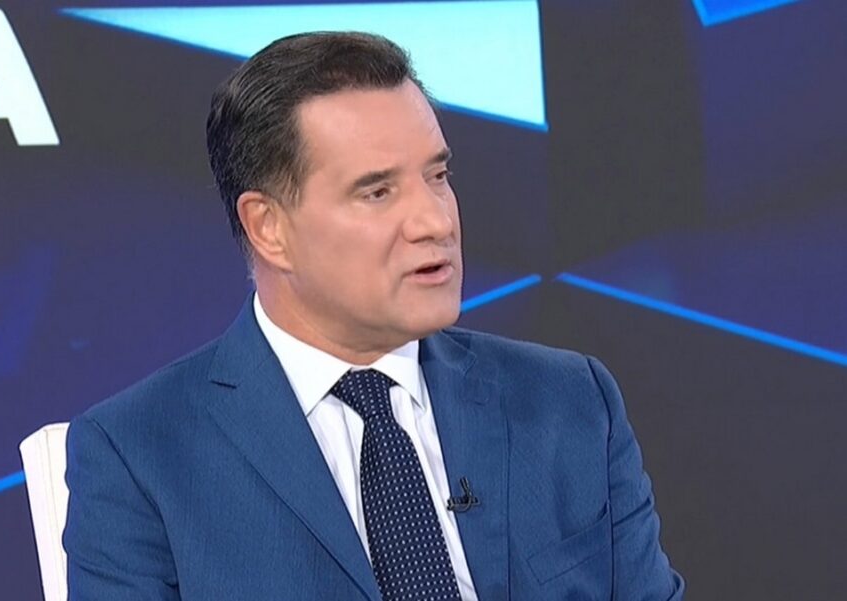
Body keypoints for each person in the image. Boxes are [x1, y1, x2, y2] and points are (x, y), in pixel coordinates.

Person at [63, 31, 684, 601]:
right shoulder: (140, 456)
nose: (435, 221)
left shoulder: (570, 400)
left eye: (437, 175)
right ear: (268, 227)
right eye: (377, 191)